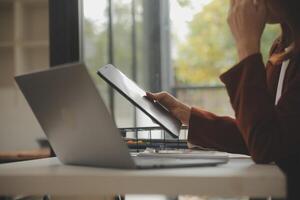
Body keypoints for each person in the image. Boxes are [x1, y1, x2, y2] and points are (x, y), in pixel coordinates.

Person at [146, 0, 300, 199]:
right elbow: (264, 132)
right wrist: (189, 116)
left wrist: (247, 46)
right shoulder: (283, 49)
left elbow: (266, 145)